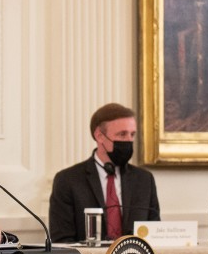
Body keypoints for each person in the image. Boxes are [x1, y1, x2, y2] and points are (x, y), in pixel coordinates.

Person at [48, 103, 160, 243]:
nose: (129, 141)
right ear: (99, 136)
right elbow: (62, 241)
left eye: (132, 134)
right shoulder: (68, 180)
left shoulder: (144, 180)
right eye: (122, 134)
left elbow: (155, 235)